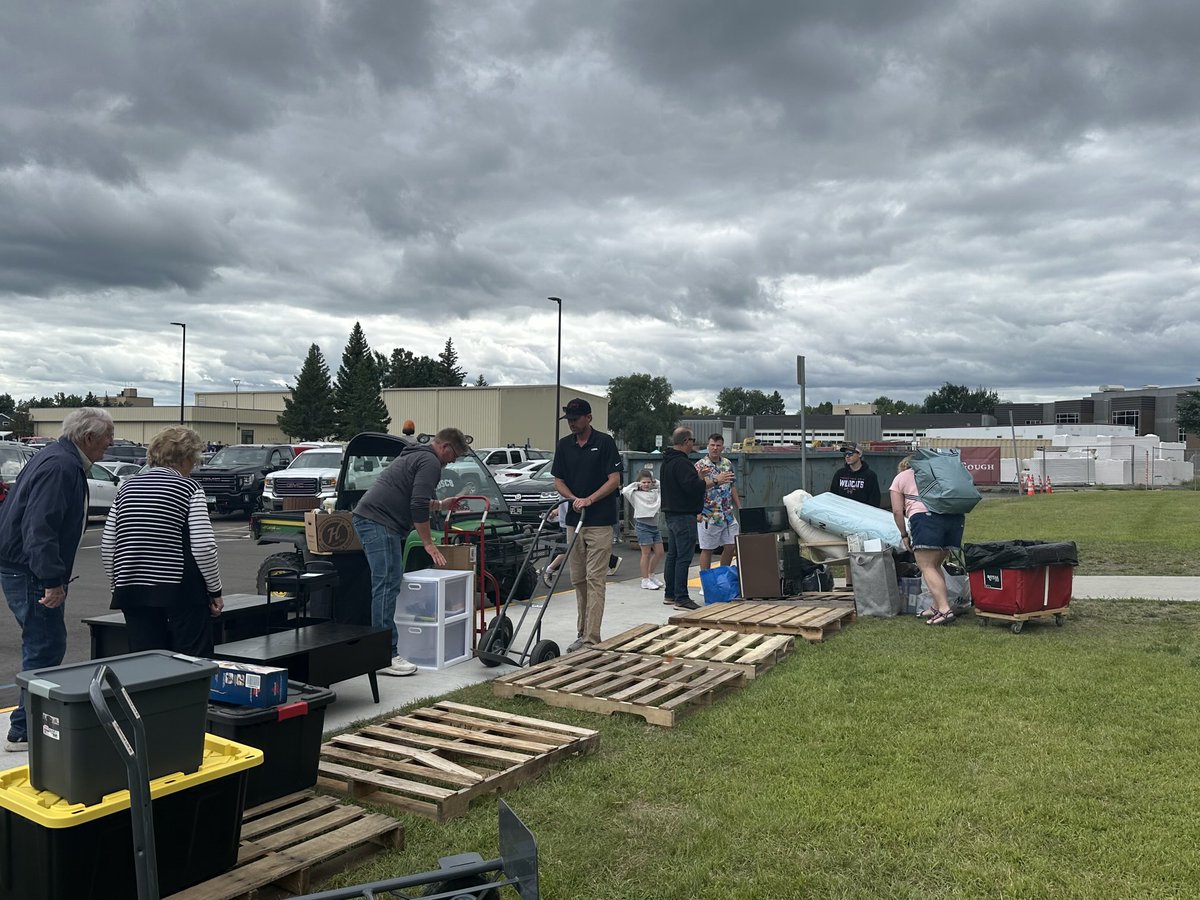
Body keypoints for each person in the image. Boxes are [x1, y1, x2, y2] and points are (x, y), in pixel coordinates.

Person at [0, 407, 113, 751]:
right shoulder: (62, 466)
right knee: (45, 645)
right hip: (30, 569)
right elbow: (41, 526)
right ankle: (24, 730)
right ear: (88, 437)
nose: (109, 445)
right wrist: (51, 579)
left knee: (43, 643)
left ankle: (25, 723)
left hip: (20, 564)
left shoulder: (56, 457)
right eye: (107, 438)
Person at [352, 427, 470, 675]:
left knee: (391, 582)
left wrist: (439, 505)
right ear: (445, 447)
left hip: (377, 521)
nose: (453, 461)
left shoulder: (418, 455)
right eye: (455, 455)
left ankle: (383, 649)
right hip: (378, 522)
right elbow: (416, 505)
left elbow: (411, 496)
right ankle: (384, 655)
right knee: (385, 584)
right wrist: (428, 543)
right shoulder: (430, 462)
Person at [100, 426, 224, 655]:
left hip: (132, 587)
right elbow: (204, 546)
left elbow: (109, 545)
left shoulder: (126, 488)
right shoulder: (189, 488)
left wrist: (116, 584)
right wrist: (215, 590)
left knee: (145, 660)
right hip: (180, 590)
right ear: (186, 458)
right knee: (191, 659)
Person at [551, 398, 622, 651]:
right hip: (574, 520)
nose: (571, 423)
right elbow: (558, 480)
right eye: (569, 419)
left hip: (600, 521)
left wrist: (590, 499)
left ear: (588, 418)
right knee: (578, 579)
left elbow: (614, 480)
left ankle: (592, 638)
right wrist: (573, 499)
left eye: (576, 418)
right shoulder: (564, 445)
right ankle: (582, 632)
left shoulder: (604, 443)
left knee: (595, 579)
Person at [890, 455, 966, 626]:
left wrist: (904, 534)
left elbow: (896, 511)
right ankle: (936, 606)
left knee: (926, 566)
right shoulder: (939, 474)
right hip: (954, 519)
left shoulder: (901, 477)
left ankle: (945, 610)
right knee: (935, 565)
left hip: (926, 520)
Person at [660, 427, 706, 610]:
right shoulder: (682, 463)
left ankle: (670, 594)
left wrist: (697, 479)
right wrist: (710, 481)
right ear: (686, 441)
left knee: (672, 555)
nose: (693, 444)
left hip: (671, 514)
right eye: (692, 440)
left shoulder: (667, 462)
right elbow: (691, 487)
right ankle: (682, 597)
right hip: (683, 515)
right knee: (684, 557)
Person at [694, 434, 740, 570]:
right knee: (708, 549)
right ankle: (706, 582)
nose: (715, 448)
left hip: (727, 513)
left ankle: (722, 575)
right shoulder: (700, 465)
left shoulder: (727, 464)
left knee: (731, 545)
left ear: (722, 447)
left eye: (718, 445)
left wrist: (739, 506)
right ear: (708, 446)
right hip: (709, 514)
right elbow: (695, 489)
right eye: (712, 445)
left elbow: (732, 486)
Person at [620, 469, 665, 591]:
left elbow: (663, 487)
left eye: (648, 482)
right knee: (646, 553)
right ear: (639, 483)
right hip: (642, 526)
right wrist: (636, 484)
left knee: (660, 552)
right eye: (643, 482)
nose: (646, 484)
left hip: (654, 527)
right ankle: (644, 580)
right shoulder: (635, 494)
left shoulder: (655, 493)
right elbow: (625, 490)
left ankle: (651, 575)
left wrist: (655, 482)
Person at [829, 443, 881, 507]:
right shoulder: (839, 474)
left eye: (850, 453)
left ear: (859, 454)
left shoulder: (870, 476)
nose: (847, 456)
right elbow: (833, 496)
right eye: (845, 454)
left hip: (861, 514)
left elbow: (874, 500)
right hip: (842, 513)